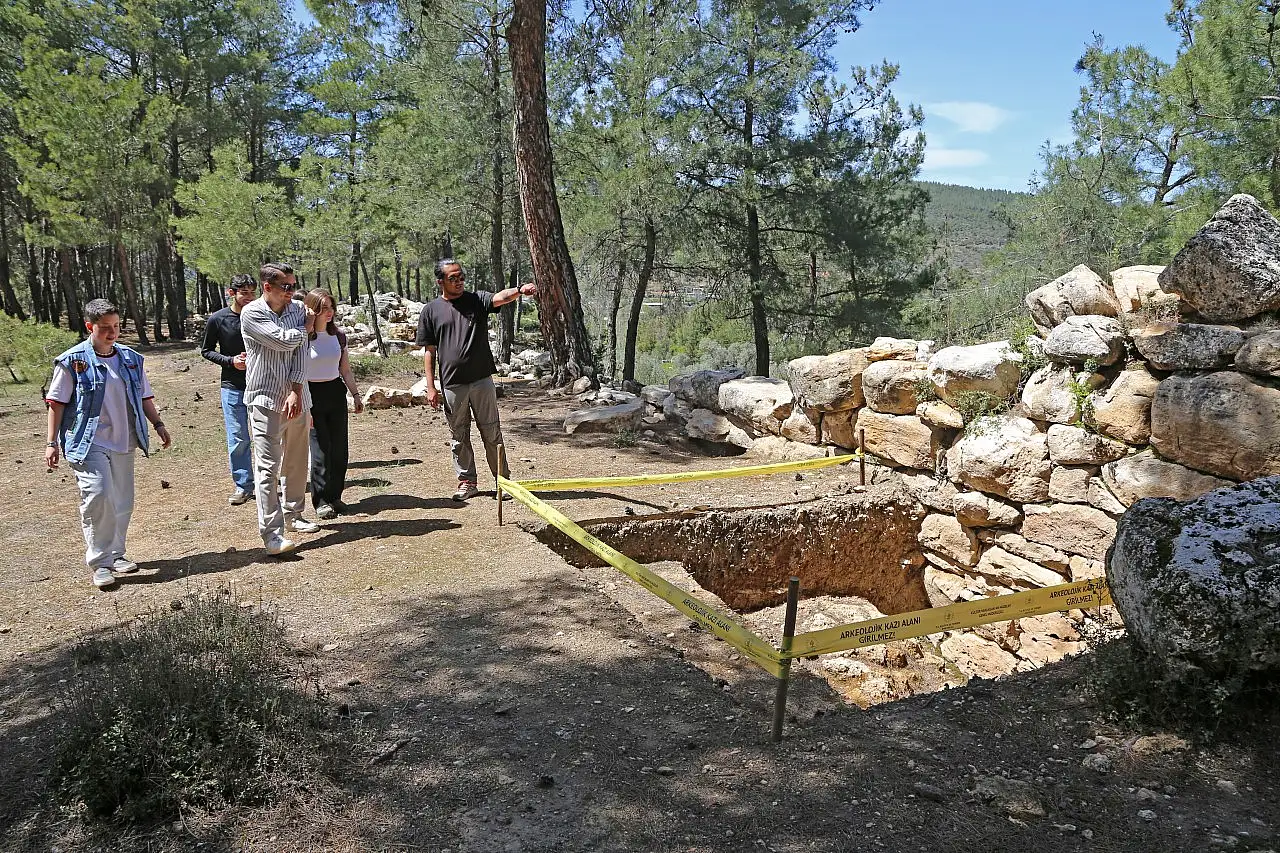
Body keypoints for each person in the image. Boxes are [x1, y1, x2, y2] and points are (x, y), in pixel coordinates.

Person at [44, 299, 172, 589]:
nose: (112, 333)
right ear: (90, 326)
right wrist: (51, 442)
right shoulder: (72, 361)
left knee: (122, 500)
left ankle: (116, 553)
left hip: (124, 438)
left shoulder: (130, 359)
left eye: (116, 326)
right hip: (87, 441)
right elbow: (56, 403)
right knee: (99, 496)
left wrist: (159, 425)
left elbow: (144, 396)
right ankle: (100, 562)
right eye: (105, 328)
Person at [416, 258, 536, 501]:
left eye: (461, 277)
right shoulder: (431, 311)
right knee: (459, 437)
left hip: (482, 381)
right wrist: (431, 387)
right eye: (453, 278)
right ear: (441, 281)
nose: (459, 281)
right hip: (452, 384)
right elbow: (429, 351)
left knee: (492, 432)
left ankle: (503, 482)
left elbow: (500, 298)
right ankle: (467, 482)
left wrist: (520, 289)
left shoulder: (476, 300)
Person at [240, 262, 320, 555]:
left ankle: (294, 513)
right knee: (267, 469)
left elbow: (300, 352)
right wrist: (307, 329)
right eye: (285, 287)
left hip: (298, 398)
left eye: (293, 286)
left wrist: (297, 390)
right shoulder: (252, 313)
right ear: (267, 287)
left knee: (298, 460)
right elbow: (282, 341)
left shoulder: (297, 310)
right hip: (265, 399)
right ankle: (272, 535)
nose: (292, 292)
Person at [303, 288, 363, 519]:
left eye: (331, 307)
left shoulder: (338, 336)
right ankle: (320, 501)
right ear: (313, 310)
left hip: (335, 392)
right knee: (320, 450)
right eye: (323, 308)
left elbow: (345, 369)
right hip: (311, 393)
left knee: (339, 449)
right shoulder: (304, 337)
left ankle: (335, 496)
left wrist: (355, 395)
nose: (329, 312)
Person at [200, 273, 256, 505]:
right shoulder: (218, 319)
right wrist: (231, 361)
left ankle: (268, 482)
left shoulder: (261, 316)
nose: (249, 298)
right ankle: (243, 485)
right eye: (244, 293)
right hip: (232, 387)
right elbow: (206, 350)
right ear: (231, 293)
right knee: (238, 438)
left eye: (253, 293)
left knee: (268, 437)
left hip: (262, 385)